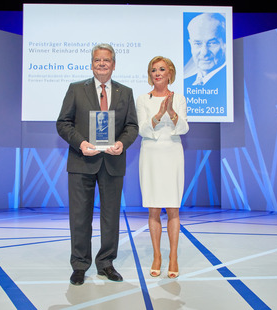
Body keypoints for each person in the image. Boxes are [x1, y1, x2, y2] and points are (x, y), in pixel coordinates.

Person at [56, 43, 138, 285]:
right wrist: (81, 143)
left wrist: (122, 144)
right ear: (91, 64)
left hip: (112, 162)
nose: (102, 64)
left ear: (114, 64)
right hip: (82, 161)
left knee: (111, 216)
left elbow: (132, 126)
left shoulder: (126, 92)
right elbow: (63, 123)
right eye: (97, 60)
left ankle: (106, 263)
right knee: (80, 216)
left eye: (107, 60)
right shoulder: (75, 89)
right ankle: (80, 265)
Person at [136, 56, 189, 278]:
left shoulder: (179, 98)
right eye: (153, 70)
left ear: (170, 73)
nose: (157, 73)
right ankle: (157, 256)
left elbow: (184, 129)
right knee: (154, 208)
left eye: (161, 69)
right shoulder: (142, 99)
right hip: (151, 154)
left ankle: (173, 257)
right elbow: (142, 130)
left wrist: (171, 113)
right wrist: (158, 114)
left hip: (172, 153)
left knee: (173, 208)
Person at [184, 13, 226, 87]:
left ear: (225, 43)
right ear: (191, 44)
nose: (204, 52)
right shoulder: (185, 82)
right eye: (197, 43)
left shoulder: (228, 82)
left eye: (212, 43)